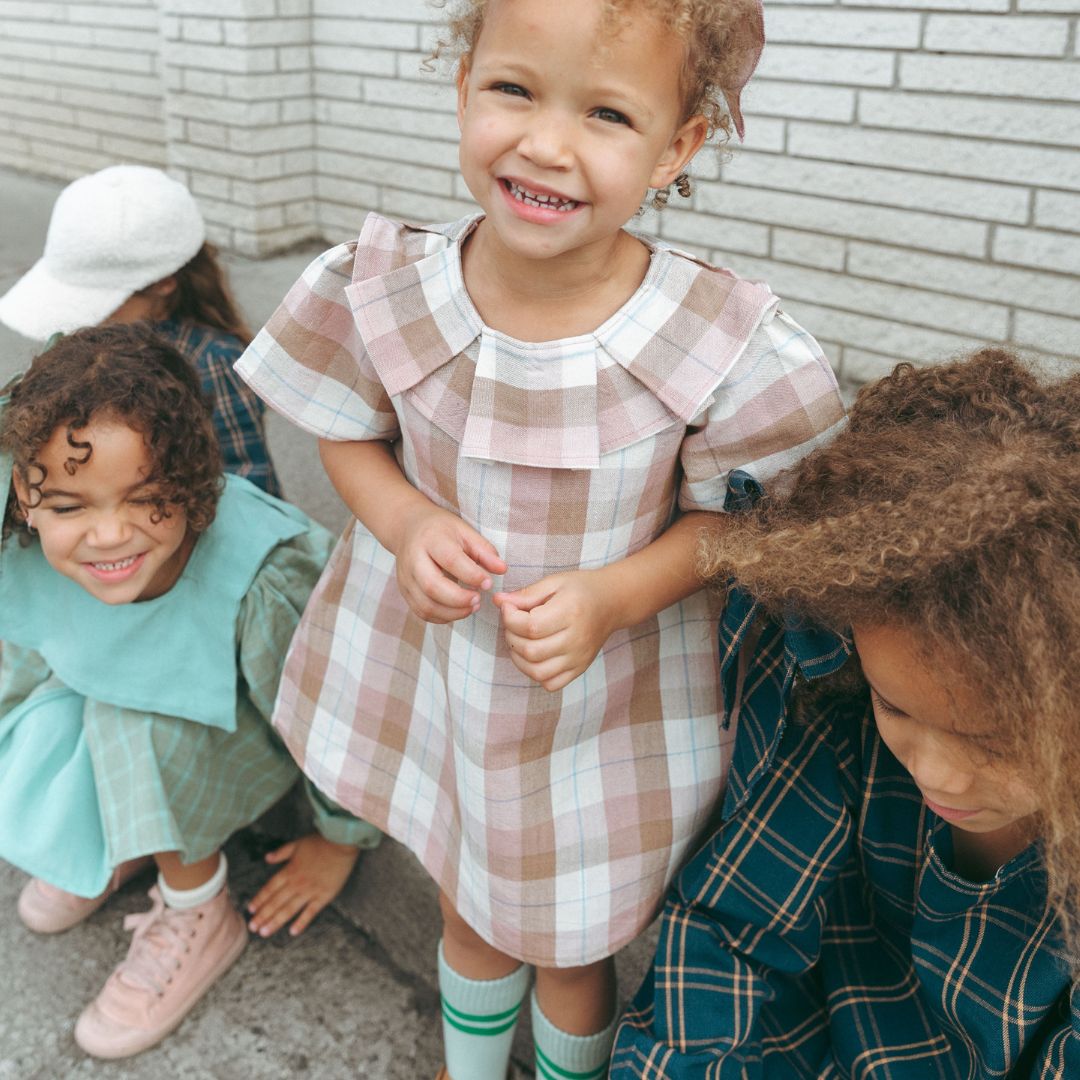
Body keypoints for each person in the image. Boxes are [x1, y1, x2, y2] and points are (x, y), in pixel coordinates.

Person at [236, 1, 845, 1076]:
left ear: (677, 145)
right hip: (440, 672)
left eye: (607, 112)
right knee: (469, 901)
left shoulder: (710, 340)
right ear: (464, 78)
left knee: (572, 940)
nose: (546, 144)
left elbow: (742, 530)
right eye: (514, 89)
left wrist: (614, 595)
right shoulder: (389, 286)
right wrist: (406, 517)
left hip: (602, 697)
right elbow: (348, 435)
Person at [612, 348, 1080, 1077]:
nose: (937, 774)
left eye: (993, 741)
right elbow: (732, 932)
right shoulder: (840, 720)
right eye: (897, 707)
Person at [0, 325, 380, 1060]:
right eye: (71, 507)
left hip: (235, 726)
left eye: (146, 499)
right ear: (25, 490)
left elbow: (336, 712)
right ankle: (120, 833)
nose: (108, 534)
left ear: (194, 483)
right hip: (130, 690)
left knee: (131, 723)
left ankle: (198, 908)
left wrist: (343, 841)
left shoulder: (262, 576)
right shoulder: (28, 518)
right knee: (53, 699)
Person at [0, 164, 281, 496]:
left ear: (163, 283)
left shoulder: (211, 362)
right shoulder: (89, 345)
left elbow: (249, 487)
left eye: (94, 302)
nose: (77, 320)